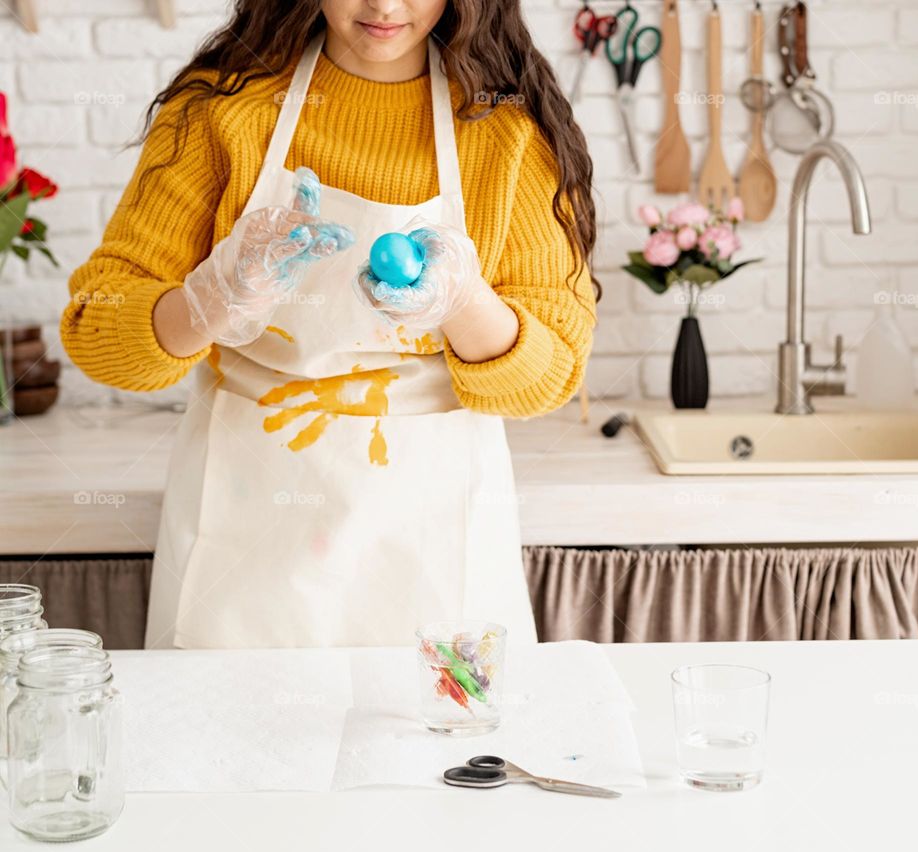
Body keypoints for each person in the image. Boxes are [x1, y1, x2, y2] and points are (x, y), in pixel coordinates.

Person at [61, 0, 598, 648]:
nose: (384, 5)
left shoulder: (507, 131)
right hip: (244, 539)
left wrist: (463, 303)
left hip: (434, 535)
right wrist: (209, 301)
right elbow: (97, 331)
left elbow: (554, 374)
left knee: (433, 744)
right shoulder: (223, 109)